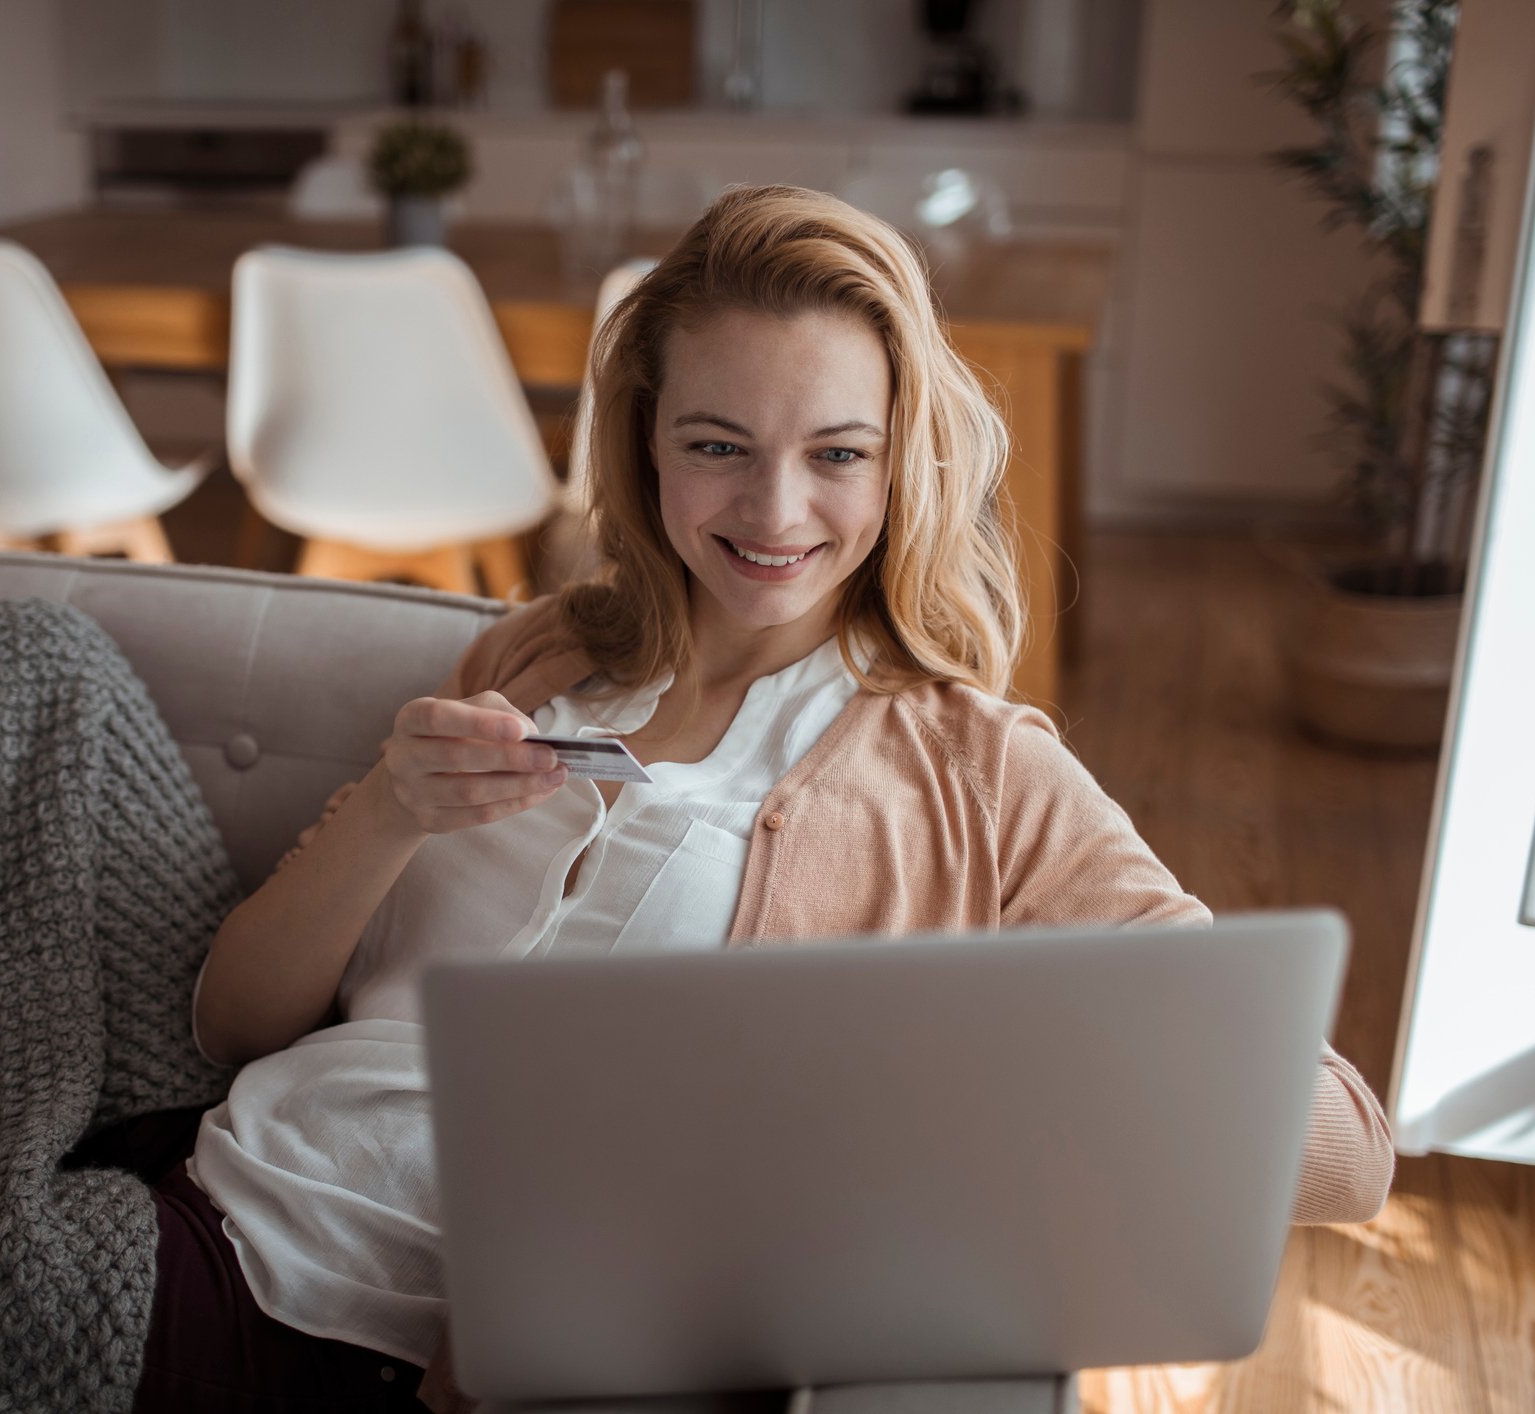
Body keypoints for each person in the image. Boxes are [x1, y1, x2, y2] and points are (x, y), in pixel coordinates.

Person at [118, 185, 1395, 1412]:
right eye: (716, 446)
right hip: (197, 1212)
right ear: (646, 443)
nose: (775, 512)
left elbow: (1341, 1142)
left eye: (838, 453)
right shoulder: (542, 654)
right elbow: (233, 1024)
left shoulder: (977, 773)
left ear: (904, 465)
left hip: (385, 1339)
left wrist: (897, 1097)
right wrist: (389, 809)